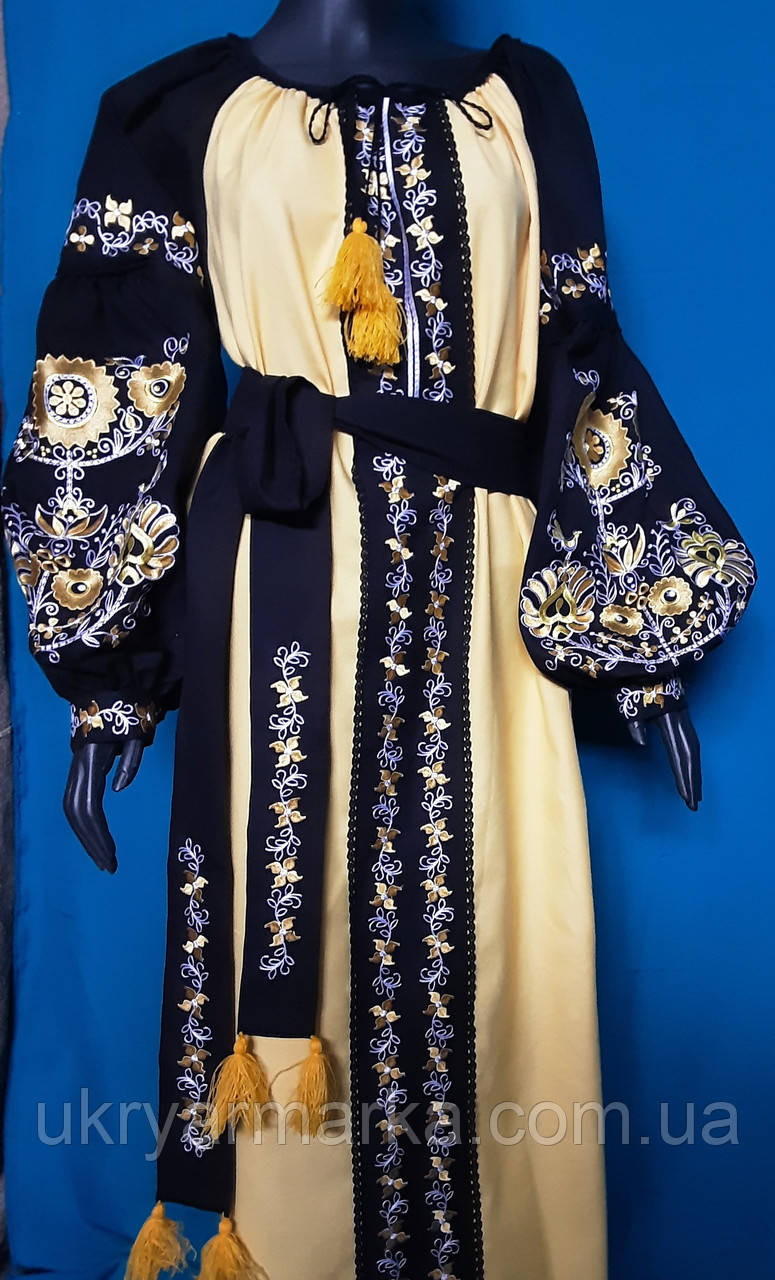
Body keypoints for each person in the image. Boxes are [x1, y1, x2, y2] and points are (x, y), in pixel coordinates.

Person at [0, 4, 756, 1277]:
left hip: (485, 603)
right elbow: (118, 375)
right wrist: (107, 675)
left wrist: (644, 639)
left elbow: (578, 356)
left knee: (503, 943)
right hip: (280, 584)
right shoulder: (179, 112)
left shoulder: (523, 107)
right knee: (308, 946)